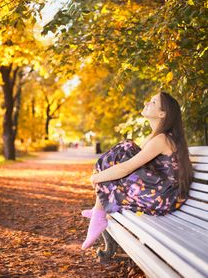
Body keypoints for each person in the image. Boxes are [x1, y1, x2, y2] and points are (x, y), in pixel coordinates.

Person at [81, 91, 193, 250]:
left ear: (162, 113)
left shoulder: (162, 139)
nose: (147, 103)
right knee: (125, 148)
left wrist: (96, 178)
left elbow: (126, 168)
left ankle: (98, 214)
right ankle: (98, 212)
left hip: (163, 198)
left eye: (153, 102)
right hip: (160, 190)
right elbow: (127, 165)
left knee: (124, 149)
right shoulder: (155, 137)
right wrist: (101, 175)